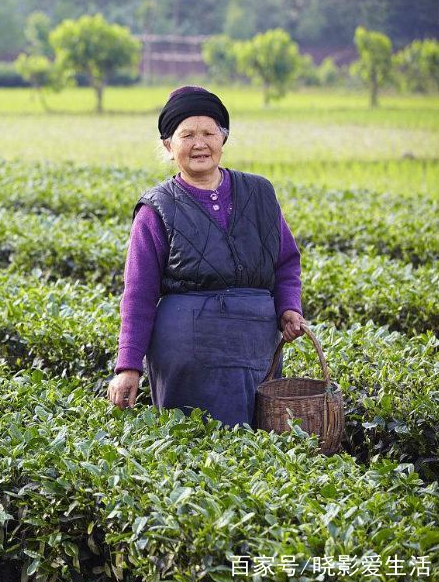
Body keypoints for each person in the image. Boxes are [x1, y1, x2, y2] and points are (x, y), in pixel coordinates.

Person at [107, 86, 306, 426]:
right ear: (169, 147)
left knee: (260, 457)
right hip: (186, 358)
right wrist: (128, 366)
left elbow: (286, 262)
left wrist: (289, 306)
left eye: (208, 133)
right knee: (194, 452)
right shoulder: (157, 209)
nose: (199, 144)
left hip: (255, 349)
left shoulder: (259, 193)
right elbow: (138, 295)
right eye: (187, 135)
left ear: (223, 139)